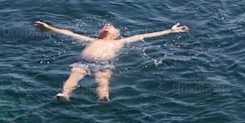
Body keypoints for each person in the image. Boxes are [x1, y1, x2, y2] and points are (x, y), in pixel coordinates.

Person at [34, 20, 189, 101]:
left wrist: (170, 30)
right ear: (100, 32)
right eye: (104, 26)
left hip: (104, 64)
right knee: (73, 76)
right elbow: (68, 33)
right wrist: (49, 28)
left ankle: (103, 97)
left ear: (116, 34)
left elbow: (146, 36)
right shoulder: (90, 39)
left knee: (103, 81)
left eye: (111, 26)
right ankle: (65, 94)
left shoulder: (118, 42)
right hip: (83, 62)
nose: (107, 26)